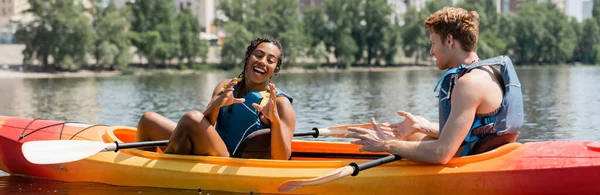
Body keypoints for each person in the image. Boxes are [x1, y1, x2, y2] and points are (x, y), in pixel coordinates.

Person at [346, 7, 523, 164]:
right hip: (486, 153)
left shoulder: (469, 84)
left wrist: (384, 144)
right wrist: (423, 126)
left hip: (473, 163)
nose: (431, 51)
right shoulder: (490, 72)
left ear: (449, 40)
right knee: (409, 133)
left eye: (433, 43)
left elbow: (442, 153)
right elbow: (472, 131)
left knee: (397, 140)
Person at [135, 37, 296, 160]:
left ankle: (164, 168)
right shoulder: (226, 86)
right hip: (210, 148)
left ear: (275, 70)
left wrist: (275, 122)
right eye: (258, 55)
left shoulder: (280, 103)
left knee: (192, 117)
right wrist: (217, 105)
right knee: (147, 120)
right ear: (248, 57)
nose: (262, 62)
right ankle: (142, 169)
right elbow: (204, 126)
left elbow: (283, 158)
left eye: (270, 60)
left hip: (230, 161)